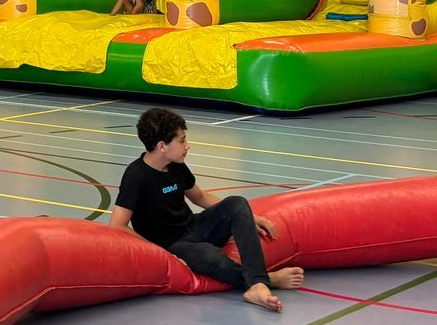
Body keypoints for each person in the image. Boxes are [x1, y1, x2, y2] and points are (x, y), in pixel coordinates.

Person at [113, 108, 305, 313]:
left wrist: (248, 217)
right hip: (171, 245)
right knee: (209, 255)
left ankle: (257, 282)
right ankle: (266, 280)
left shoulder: (176, 165)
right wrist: (160, 254)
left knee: (237, 203)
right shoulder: (136, 175)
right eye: (182, 141)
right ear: (162, 146)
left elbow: (200, 197)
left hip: (192, 227)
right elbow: (117, 224)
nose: (187, 145)